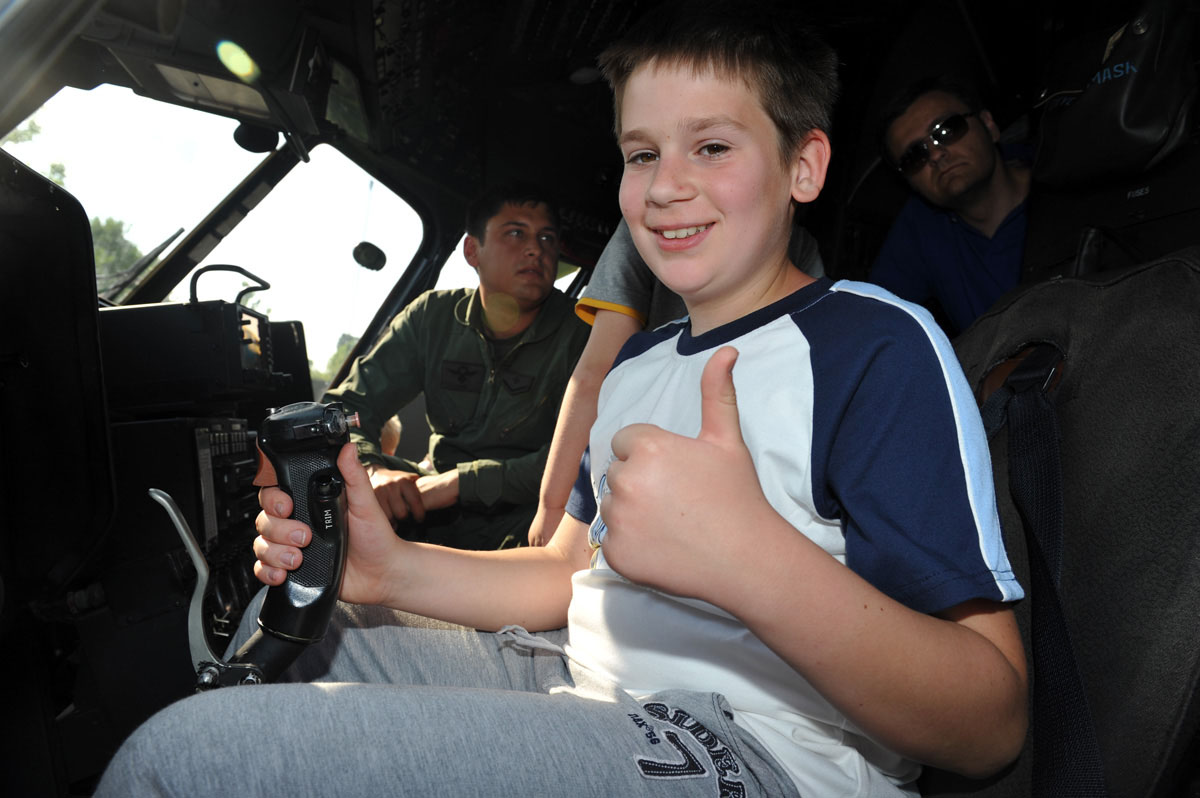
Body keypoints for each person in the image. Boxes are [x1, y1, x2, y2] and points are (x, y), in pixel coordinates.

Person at [96, 6, 1027, 796]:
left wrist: (749, 557)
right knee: (259, 648)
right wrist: (391, 571)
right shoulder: (634, 367)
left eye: (711, 146)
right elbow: (564, 574)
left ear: (804, 167)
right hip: (575, 671)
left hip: (763, 748)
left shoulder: (874, 345)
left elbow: (990, 725)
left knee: (182, 765)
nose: (665, 187)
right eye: (641, 153)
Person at [322, 183, 590, 550]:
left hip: (527, 517)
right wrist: (373, 472)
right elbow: (347, 409)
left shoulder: (583, 335)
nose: (536, 249)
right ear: (472, 251)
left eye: (547, 238)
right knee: (328, 486)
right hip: (432, 506)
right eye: (516, 233)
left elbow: (584, 456)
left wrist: (461, 484)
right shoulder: (432, 318)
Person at [528, 217, 824, 545]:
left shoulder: (645, 222)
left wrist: (551, 506)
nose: (665, 192)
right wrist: (554, 506)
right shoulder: (642, 225)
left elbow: (596, 370)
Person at [869, 75, 1032, 337]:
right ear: (910, 183)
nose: (935, 154)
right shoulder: (920, 228)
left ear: (989, 125)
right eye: (915, 156)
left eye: (946, 130)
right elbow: (871, 320)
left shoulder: (1065, 177)